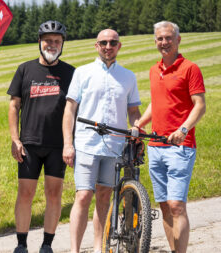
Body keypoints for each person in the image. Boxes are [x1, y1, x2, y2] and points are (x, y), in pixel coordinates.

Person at [62, 29, 142, 253]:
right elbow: (69, 110)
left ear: (119, 46)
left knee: (105, 195)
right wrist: (68, 144)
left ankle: (99, 247)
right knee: (84, 195)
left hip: (115, 145)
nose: (108, 46)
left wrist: (136, 126)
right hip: (86, 144)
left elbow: (133, 110)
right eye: (104, 42)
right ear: (96, 46)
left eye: (113, 42)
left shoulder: (128, 76)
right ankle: (75, 250)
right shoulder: (82, 72)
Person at [134, 21, 206, 253]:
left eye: (168, 38)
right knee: (164, 205)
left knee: (177, 206)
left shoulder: (190, 68)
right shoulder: (154, 70)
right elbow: (157, 103)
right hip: (155, 145)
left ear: (178, 40)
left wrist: (183, 129)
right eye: (159, 39)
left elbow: (200, 105)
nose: (164, 42)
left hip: (180, 147)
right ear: (155, 41)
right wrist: (140, 123)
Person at [7, 20, 75, 253]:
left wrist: (71, 144)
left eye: (57, 41)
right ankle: (21, 244)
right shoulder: (25, 69)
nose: (52, 44)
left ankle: (47, 244)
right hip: (29, 145)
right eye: (48, 40)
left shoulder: (70, 72)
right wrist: (15, 139)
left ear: (62, 43)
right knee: (25, 193)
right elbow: (14, 106)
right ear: (39, 42)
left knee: (54, 194)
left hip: (58, 145)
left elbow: (74, 109)